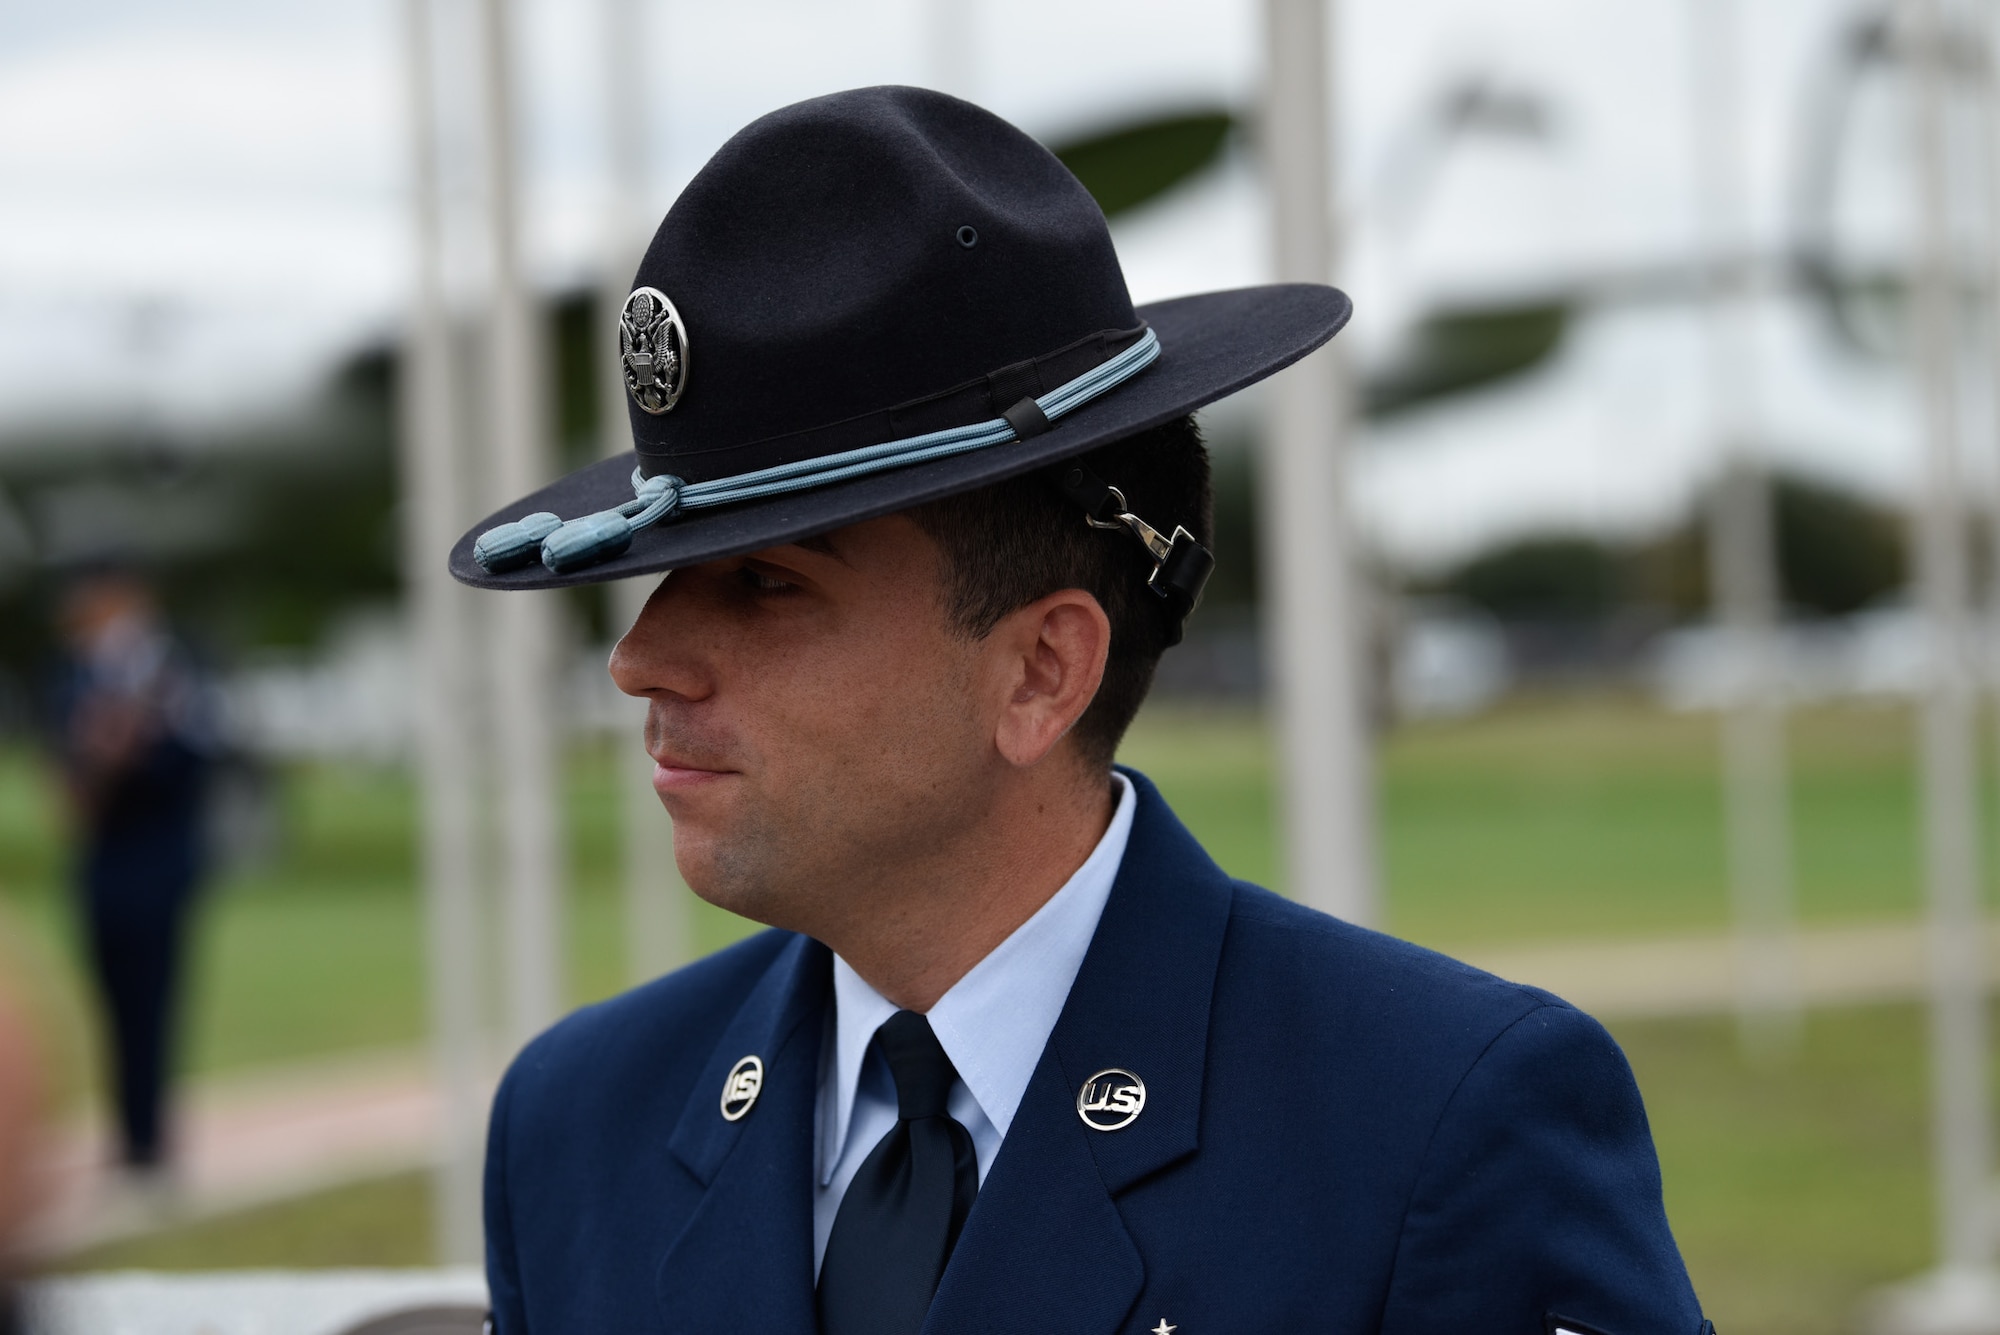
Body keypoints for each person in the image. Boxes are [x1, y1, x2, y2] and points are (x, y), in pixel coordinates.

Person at [453, 87, 1711, 1335]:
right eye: (663, 579)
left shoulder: (1433, 1125)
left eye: (767, 583)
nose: (641, 659)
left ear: (1041, 671)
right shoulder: (578, 1126)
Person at [48, 567, 214, 1180]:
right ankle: (125, 1130)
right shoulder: (72, 674)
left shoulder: (175, 669)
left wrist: (140, 744)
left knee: (155, 995)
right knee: (109, 995)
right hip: (102, 861)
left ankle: (149, 1136)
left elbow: (199, 760)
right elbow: (65, 773)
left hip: (159, 858)